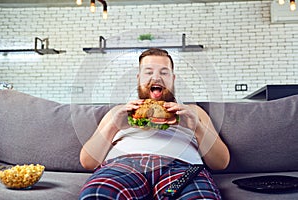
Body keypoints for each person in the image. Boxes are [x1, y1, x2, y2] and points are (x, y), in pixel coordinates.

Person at [79, 48, 230, 200]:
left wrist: (196, 127)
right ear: (138, 78)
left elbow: (221, 163)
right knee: (97, 195)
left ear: (173, 78)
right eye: (148, 72)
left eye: (164, 73)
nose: (156, 77)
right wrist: (114, 126)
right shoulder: (118, 111)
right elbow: (88, 161)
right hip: (123, 165)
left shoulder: (193, 111)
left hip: (182, 167)